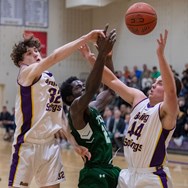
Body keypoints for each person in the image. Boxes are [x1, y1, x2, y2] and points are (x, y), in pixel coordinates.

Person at [82, 30, 182, 188]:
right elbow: (112, 80)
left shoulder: (167, 112)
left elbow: (171, 92)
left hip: (151, 178)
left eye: (160, 83)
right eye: (155, 82)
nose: (154, 84)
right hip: (128, 175)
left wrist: (160, 55)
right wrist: (92, 58)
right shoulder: (138, 98)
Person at [8, 28, 105, 188]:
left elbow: (58, 114)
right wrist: (86, 37)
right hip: (26, 146)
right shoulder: (25, 73)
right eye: (30, 53)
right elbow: (54, 57)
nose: (37, 54)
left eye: (37, 51)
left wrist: (73, 143)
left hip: (50, 145)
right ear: (21, 62)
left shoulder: (50, 78)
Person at [60, 26, 121, 188]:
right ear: (69, 97)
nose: (82, 87)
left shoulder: (92, 106)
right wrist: (99, 55)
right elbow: (92, 89)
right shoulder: (75, 109)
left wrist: (107, 57)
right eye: (78, 87)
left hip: (109, 169)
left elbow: (110, 89)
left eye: (82, 84)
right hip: (94, 173)